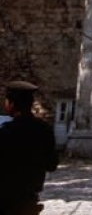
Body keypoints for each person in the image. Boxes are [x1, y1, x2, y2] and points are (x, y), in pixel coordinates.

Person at [0, 81, 59, 215]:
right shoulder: (44, 130)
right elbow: (52, 165)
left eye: (7, 101)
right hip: (29, 199)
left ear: (12, 104)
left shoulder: (6, 132)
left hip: (6, 200)